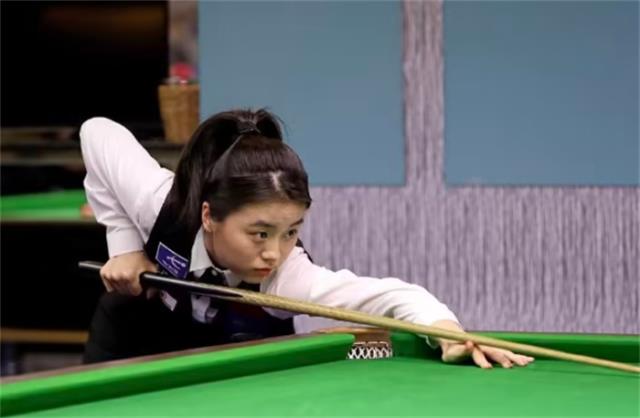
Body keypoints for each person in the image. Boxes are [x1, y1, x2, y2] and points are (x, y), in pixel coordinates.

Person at [80, 109, 534, 368]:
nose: (274, 252)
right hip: (131, 338)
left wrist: (447, 333)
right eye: (259, 233)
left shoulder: (286, 276)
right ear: (209, 216)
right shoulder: (160, 202)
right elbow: (97, 131)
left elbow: (392, 296)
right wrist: (125, 247)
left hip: (226, 360)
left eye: (291, 232)